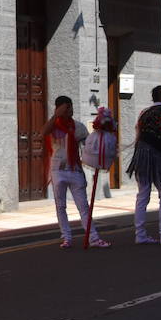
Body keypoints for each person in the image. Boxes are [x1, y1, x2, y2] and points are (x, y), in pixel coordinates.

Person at [43, 96, 108, 249]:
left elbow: (89, 145)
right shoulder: (54, 126)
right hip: (58, 170)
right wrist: (56, 116)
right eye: (66, 108)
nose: (70, 110)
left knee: (83, 206)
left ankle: (93, 237)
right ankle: (66, 237)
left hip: (75, 170)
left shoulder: (78, 127)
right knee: (60, 206)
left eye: (71, 107)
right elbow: (44, 131)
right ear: (59, 109)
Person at [128, 85, 161, 245]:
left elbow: (138, 133)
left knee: (142, 195)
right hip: (159, 155)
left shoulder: (144, 113)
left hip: (142, 155)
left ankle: (140, 234)